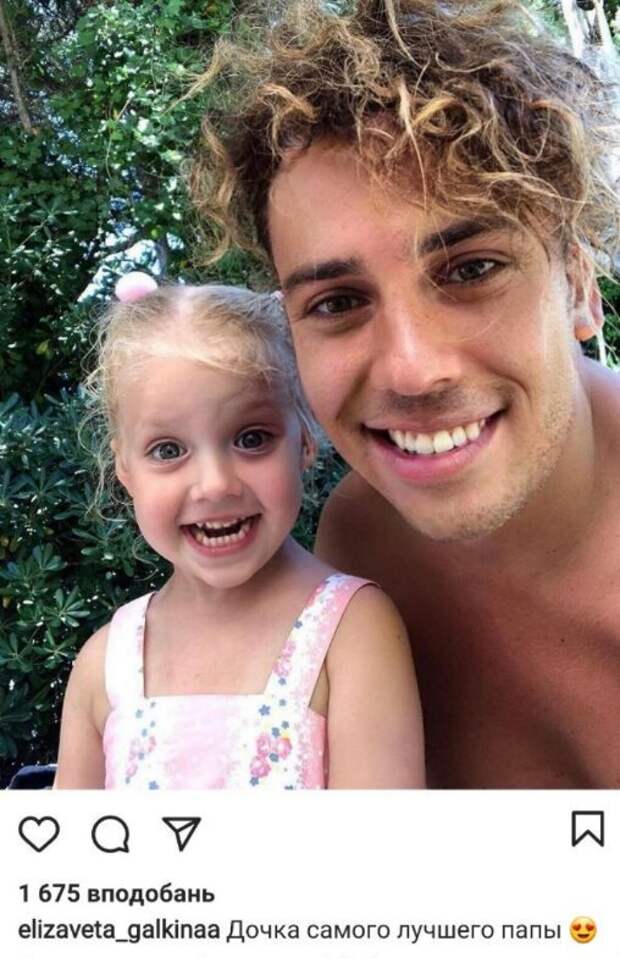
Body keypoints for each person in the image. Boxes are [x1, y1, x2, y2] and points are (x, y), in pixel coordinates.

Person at [192, 0, 620, 787]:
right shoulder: (363, 547)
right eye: (337, 303)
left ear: (579, 284)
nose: (413, 370)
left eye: (471, 270)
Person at [54, 275, 424, 789]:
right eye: (168, 450)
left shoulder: (353, 631)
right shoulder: (103, 665)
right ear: (124, 468)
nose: (215, 485)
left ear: (304, 441)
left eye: (251, 439)